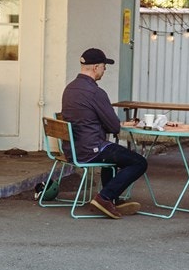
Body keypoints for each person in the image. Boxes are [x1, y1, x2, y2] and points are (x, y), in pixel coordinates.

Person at [60, 47, 146, 219]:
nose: (105, 70)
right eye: (104, 66)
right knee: (139, 162)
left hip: (72, 148)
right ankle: (104, 197)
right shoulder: (95, 92)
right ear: (96, 67)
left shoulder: (70, 88)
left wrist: (116, 123)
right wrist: (118, 123)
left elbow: (88, 118)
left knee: (114, 155)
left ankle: (111, 197)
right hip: (90, 149)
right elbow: (114, 127)